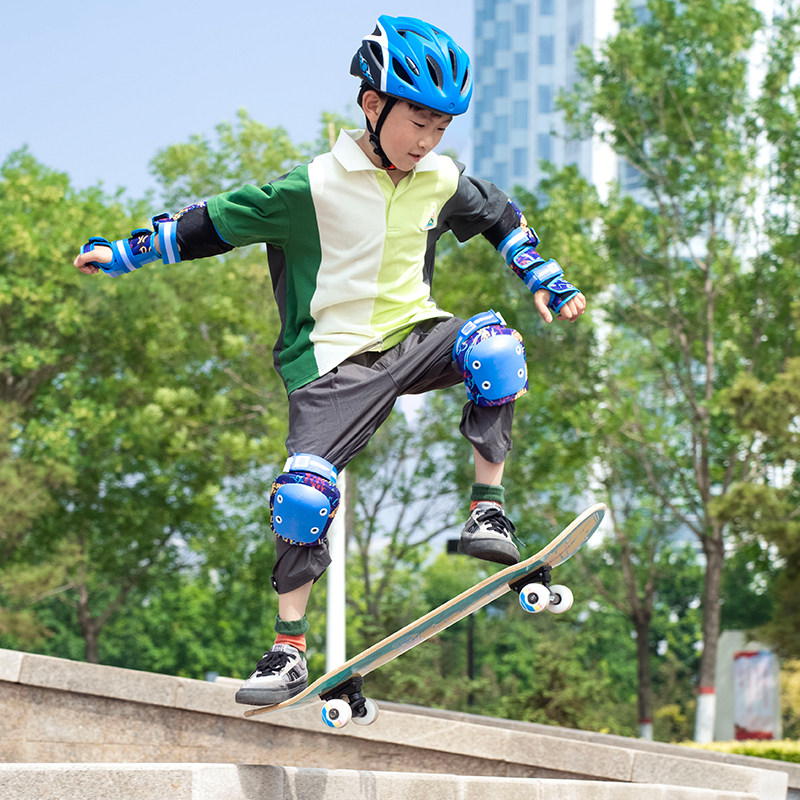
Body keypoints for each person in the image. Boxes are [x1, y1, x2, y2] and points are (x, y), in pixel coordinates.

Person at [73, 15, 586, 706]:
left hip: (416, 336)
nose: (428, 141)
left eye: (441, 127)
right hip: (332, 366)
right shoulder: (308, 188)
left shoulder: (438, 177)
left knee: (495, 347)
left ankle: (486, 513)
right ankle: (289, 652)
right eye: (419, 122)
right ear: (373, 106)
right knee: (303, 497)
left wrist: (542, 274)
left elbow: (500, 215)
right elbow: (212, 222)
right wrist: (127, 252)